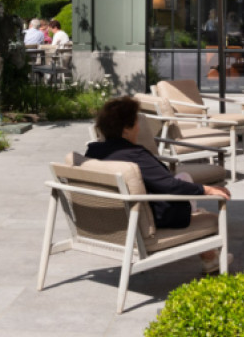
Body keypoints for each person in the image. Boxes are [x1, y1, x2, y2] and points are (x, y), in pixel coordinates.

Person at [85, 97, 230, 272]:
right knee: (210, 215)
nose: (139, 128)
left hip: (110, 221)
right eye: (136, 122)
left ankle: (209, 256)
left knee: (183, 178)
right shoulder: (135, 155)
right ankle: (209, 250)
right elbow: (171, 186)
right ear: (126, 129)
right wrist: (206, 189)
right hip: (145, 223)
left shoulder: (92, 151)